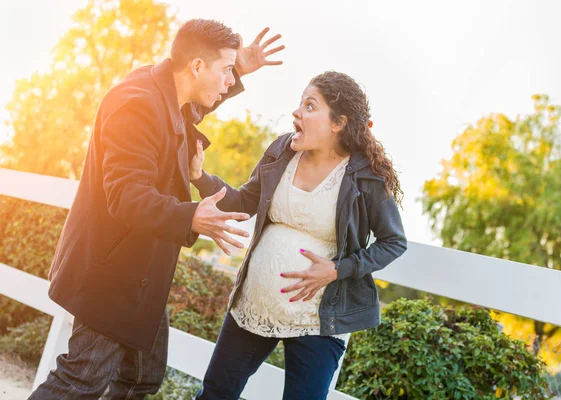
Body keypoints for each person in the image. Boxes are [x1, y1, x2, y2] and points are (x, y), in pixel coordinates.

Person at [29, 19, 284, 399]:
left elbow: (193, 111)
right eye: (226, 70)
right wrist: (192, 215)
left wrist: (239, 67)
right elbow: (128, 195)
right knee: (79, 381)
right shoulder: (137, 103)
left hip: (141, 272)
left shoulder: (170, 95)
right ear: (197, 67)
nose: (230, 81)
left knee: (141, 379)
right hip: (112, 272)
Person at [191, 71, 408, 400]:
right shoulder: (281, 150)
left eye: (310, 106)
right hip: (255, 305)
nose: (297, 113)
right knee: (215, 394)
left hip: (317, 322)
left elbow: (394, 242)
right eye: (300, 103)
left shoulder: (366, 176)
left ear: (338, 123)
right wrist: (199, 176)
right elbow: (244, 201)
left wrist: (337, 269)